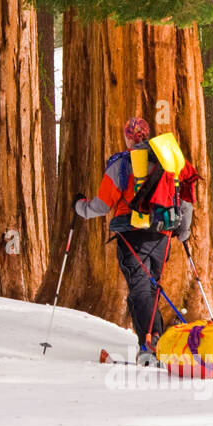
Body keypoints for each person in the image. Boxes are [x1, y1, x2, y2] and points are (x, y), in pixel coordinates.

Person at [73, 117, 198, 362]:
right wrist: (184, 230)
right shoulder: (169, 160)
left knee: (140, 288)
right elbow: (186, 194)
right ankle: (157, 343)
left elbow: (100, 206)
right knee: (151, 288)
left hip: (132, 234)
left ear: (128, 137)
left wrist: (78, 206)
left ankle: (149, 346)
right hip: (162, 234)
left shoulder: (121, 165)